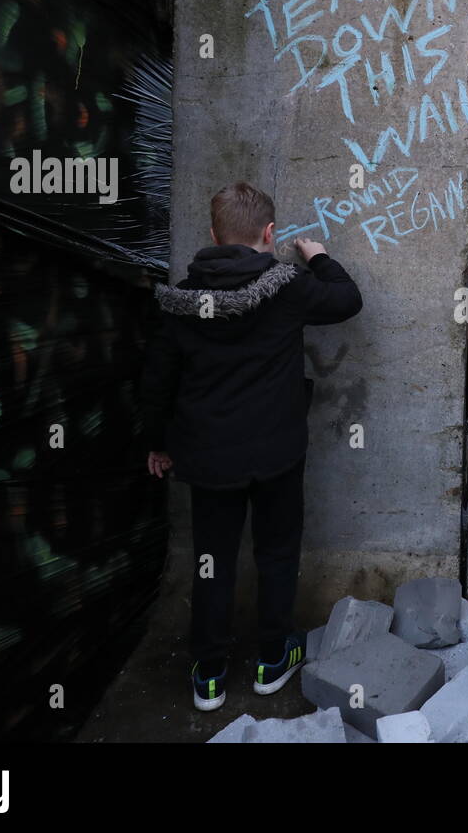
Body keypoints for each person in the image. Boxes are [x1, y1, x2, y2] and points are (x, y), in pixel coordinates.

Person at [138, 181, 363, 711]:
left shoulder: (182, 297)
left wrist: (156, 442)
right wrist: (320, 258)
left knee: (211, 558)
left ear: (214, 235)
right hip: (277, 453)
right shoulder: (287, 287)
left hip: (208, 457)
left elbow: (157, 378)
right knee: (277, 551)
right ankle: (271, 658)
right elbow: (348, 300)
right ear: (270, 233)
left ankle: (210, 672)